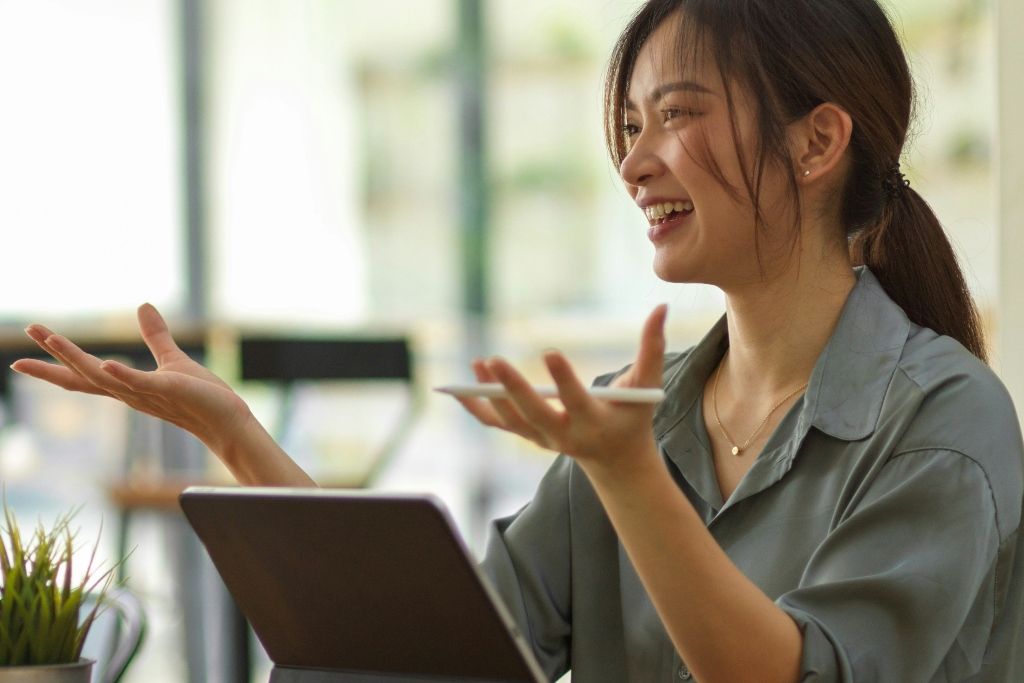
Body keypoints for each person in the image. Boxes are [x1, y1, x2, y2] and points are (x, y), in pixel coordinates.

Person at [12, 0, 1024, 681]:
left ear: (816, 140)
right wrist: (240, 441)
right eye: (629, 124)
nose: (633, 161)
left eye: (675, 115)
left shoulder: (945, 420)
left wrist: (627, 470)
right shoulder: (639, 418)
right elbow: (440, 650)